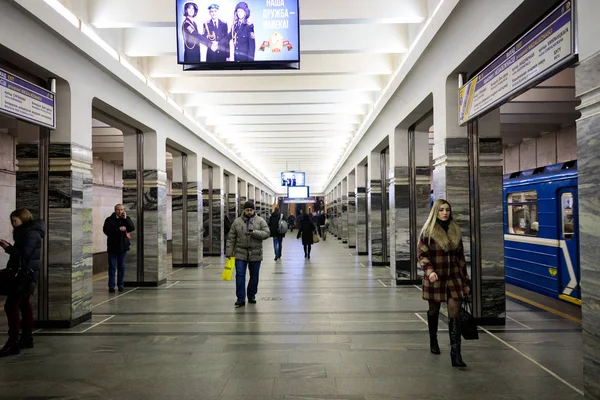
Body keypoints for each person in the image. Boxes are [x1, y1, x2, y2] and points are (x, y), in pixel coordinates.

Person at [418, 199, 470, 368]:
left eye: (447, 209)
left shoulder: (455, 230)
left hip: (454, 277)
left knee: (454, 312)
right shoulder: (428, 232)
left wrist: (466, 281)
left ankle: (456, 354)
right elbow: (422, 255)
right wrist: (430, 271)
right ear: (436, 212)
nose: (445, 213)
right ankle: (433, 339)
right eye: (441, 210)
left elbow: (461, 258)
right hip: (435, 277)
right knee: (434, 310)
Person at [0, 208, 45, 357]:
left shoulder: (31, 233)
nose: (13, 224)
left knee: (11, 305)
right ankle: (26, 338)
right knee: (24, 305)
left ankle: (13, 343)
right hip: (27, 275)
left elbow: (25, 256)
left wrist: (9, 249)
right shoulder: (29, 232)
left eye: (15, 220)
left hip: (24, 275)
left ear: (23, 219)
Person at [226, 201, 270, 307]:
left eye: (251, 210)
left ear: (254, 210)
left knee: (254, 276)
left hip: (255, 253)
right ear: (244, 210)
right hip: (240, 253)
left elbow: (267, 233)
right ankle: (240, 298)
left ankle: (251, 295)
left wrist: (255, 233)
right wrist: (229, 252)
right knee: (240, 276)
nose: (249, 212)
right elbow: (231, 238)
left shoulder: (260, 221)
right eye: (247, 210)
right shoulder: (237, 222)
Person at [103, 204, 135, 293]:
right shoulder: (109, 220)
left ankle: (120, 285)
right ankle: (111, 286)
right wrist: (118, 229)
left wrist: (125, 219)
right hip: (113, 247)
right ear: (115, 210)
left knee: (121, 267)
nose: (120, 211)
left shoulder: (126, 219)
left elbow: (132, 228)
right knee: (112, 267)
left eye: (122, 209)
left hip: (123, 248)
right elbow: (106, 230)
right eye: (118, 210)